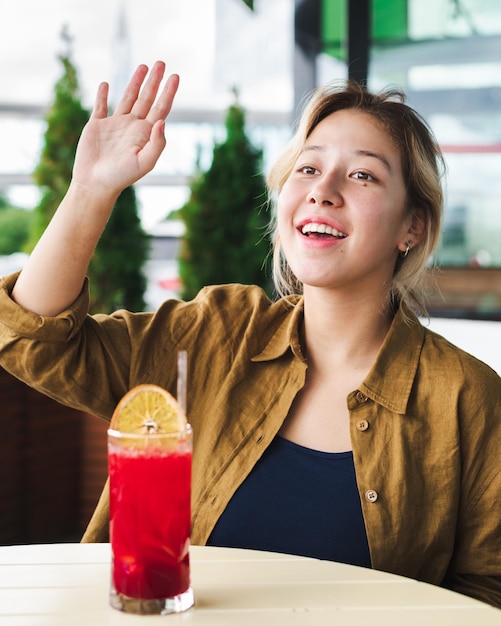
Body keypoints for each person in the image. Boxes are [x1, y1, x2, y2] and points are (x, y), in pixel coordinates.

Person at [0, 61, 500, 609]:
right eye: (307, 169)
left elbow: (485, 592)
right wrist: (91, 190)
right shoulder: (216, 331)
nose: (323, 191)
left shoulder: (468, 399)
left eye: (363, 175)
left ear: (413, 227)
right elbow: (35, 343)